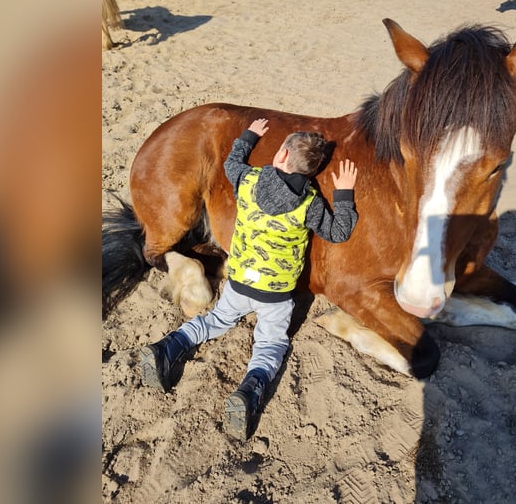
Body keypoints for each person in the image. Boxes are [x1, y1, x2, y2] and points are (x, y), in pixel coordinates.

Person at [139, 118, 359, 440]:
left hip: (238, 282)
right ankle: (251, 388)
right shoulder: (309, 203)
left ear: (280, 156)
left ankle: (169, 347)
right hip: (276, 295)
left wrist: (250, 136)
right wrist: (344, 194)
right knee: (271, 343)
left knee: (215, 320)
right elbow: (338, 231)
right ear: (311, 173)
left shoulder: (250, 179)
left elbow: (231, 163)